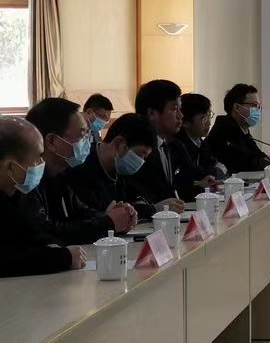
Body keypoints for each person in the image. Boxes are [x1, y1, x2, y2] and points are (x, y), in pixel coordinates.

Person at [24, 98, 136, 244]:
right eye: (82, 134)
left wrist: (117, 217)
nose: (87, 141)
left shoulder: (60, 175)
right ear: (51, 141)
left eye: (87, 134)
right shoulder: (27, 180)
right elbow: (46, 232)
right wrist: (107, 223)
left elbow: (81, 212)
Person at [0, 118, 87, 277]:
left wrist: (54, 246)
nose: (42, 163)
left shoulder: (21, 193)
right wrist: (63, 258)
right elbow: (7, 260)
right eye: (38, 158)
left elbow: (38, 233)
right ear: (11, 167)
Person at [129, 80, 212, 206]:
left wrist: (199, 185)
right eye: (174, 109)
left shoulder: (173, 145)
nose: (180, 116)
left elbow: (183, 183)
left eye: (180, 109)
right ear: (152, 113)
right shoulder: (136, 151)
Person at [66, 113, 159, 220]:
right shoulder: (81, 168)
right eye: (140, 154)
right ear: (118, 143)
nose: (141, 162)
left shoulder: (120, 172)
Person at [203, 84, 270, 174]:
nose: (258, 110)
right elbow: (246, 165)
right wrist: (264, 161)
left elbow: (257, 155)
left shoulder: (242, 129)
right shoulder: (226, 129)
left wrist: (264, 159)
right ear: (237, 107)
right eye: (254, 105)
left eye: (259, 106)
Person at [176, 93, 226, 179]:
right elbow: (197, 175)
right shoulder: (178, 145)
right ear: (185, 122)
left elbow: (218, 166)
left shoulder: (201, 142)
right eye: (204, 118)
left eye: (209, 115)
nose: (209, 123)